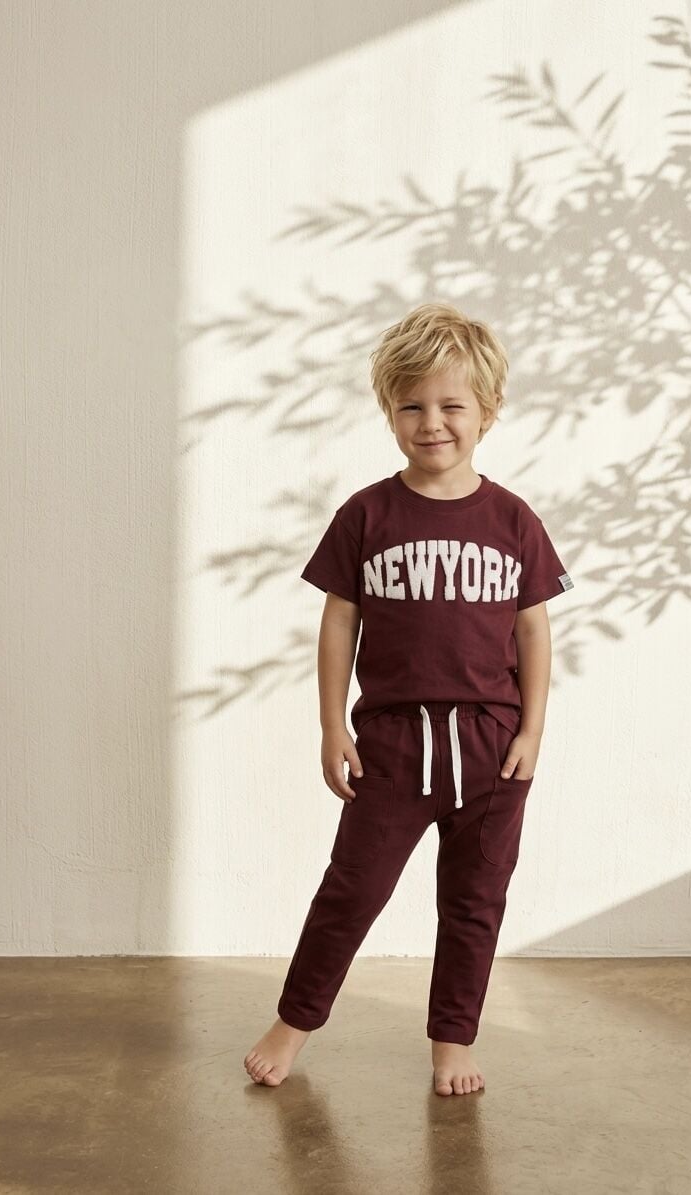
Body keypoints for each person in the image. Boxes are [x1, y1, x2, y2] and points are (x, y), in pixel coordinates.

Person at [244, 302, 574, 1096]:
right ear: (389, 412)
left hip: (492, 748)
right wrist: (332, 724)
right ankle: (293, 1022)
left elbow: (533, 629)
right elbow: (339, 623)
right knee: (351, 890)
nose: (432, 423)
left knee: (474, 901)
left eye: (452, 405)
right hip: (393, 743)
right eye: (412, 406)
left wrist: (532, 729)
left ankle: (453, 1039)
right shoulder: (366, 514)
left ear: (488, 411)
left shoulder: (513, 519)